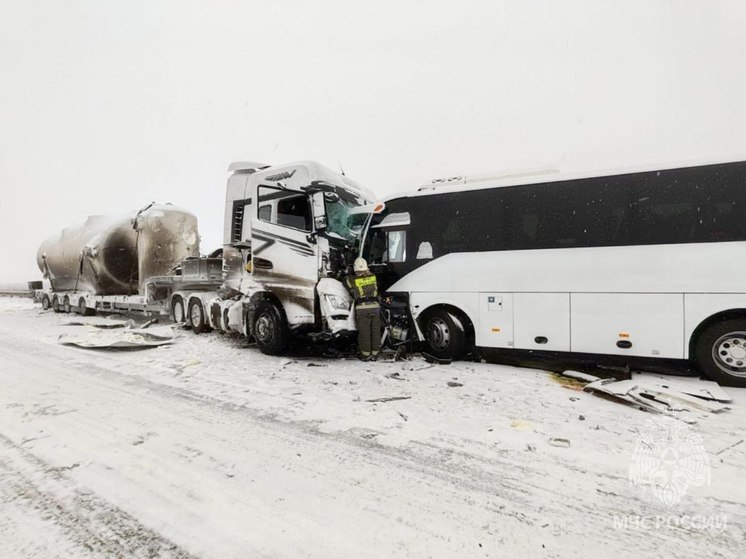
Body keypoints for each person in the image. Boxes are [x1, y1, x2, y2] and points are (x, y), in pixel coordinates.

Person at [346, 257, 381, 360]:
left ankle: (365, 355)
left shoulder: (353, 279)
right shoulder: (373, 277)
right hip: (375, 307)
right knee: (375, 331)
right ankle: (375, 354)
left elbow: (346, 281)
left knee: (364, 332)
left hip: (362, 309)